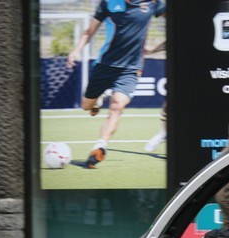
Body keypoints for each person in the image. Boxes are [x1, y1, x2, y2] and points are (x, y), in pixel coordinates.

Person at [66, 0, 166, 169]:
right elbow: (89, 31)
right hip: (104, 65)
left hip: (131, 68)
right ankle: (97, 101)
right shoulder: (109, 3)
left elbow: (177, 25)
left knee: (117, 106)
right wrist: (76, 50)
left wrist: (154, 49)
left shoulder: (153, 3)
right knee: (86, 106)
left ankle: (99, 147)